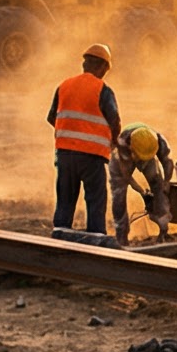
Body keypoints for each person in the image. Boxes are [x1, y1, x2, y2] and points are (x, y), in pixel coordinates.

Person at [48, 42, 120, 238]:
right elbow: (114, 121)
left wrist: (70, 134)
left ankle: (59, 236)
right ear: (103, 67)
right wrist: (114, 143)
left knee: (65, 197)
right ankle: (96, 239)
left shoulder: (64, 86)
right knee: (96, 199)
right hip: (92, 157)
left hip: (64, 154)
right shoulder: (103, 90)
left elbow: (52, 117)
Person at [111, 120, 176, 241]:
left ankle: (163, 228)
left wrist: (166, 182)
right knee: (119, 191)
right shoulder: (123, 145)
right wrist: (142, 192)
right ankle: (122, 235)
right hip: (124, 157)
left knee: (158, 183)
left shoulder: (158, 141)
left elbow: (168, 162)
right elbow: (126, 176)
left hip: (144, 152)